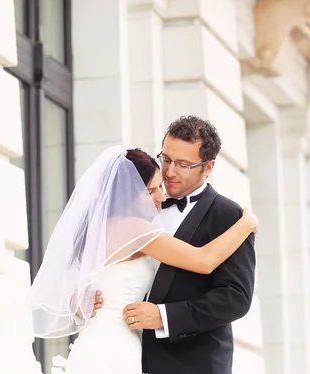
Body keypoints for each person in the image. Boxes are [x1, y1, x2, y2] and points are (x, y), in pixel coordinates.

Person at [29, 144, 258, 374]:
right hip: (116, 347)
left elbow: (80, 284)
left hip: (94, 342)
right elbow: (204, 260)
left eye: (159, 186)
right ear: (125, 194)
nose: (161, 194)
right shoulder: (136, 229)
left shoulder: (96, 229)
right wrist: (246, 224)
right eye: (150, 191)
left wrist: (78, 301)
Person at [92, 116, 257, 374]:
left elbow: (235, 298)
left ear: (208, 166)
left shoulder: (229, 216)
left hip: (193, 363)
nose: (169, 171)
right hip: (126, 354)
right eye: (166, 159)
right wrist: (86, 296)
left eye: (182, 164)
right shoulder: (137, 207)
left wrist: (164, 317)